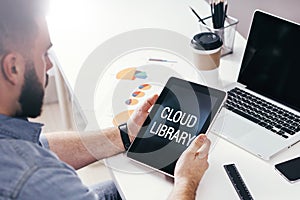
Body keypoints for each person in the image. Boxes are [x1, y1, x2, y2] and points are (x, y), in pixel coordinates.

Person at [0, 0, 211, 199]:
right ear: (13, 68)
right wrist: (186, 180)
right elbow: (33, 163)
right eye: (44, 54)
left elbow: (39, 145)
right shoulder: (33, 175)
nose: (49, 66)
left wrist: (126, 134)